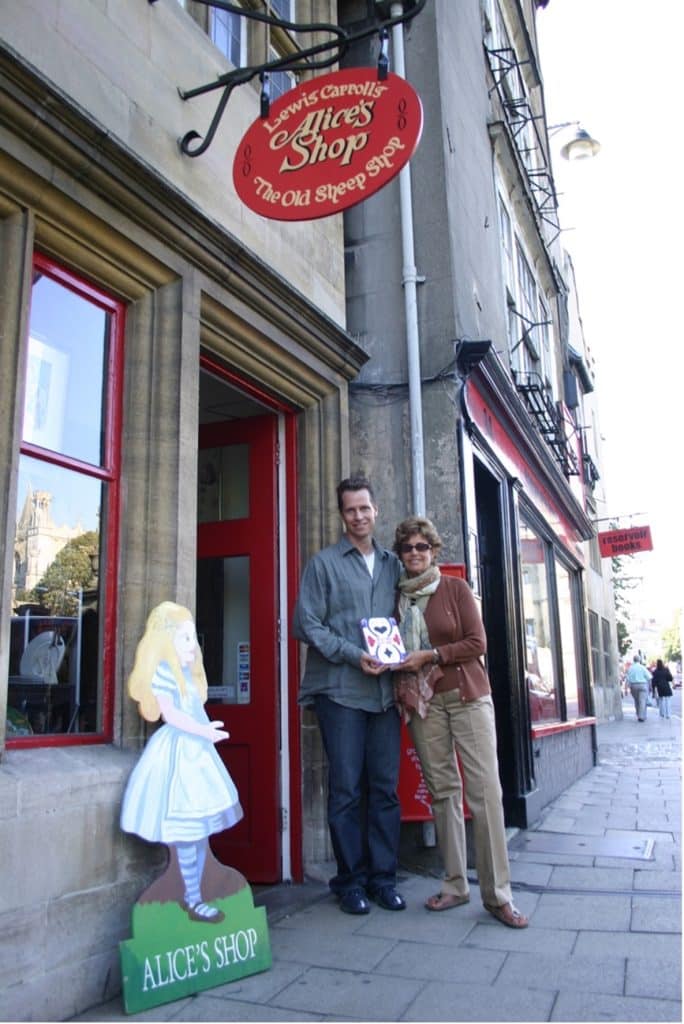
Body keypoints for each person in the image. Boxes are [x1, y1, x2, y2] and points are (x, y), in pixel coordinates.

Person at [391, 515, 528, 929]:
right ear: (400, 555)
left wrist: (433, 655)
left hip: (467, 697)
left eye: (422, 546)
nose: (415, 553)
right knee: (443, 791)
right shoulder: (397, 599)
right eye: (407, 548)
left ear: (433, 550)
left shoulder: (454, 589)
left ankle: (498, 895)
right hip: (424, 703)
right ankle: (454, 884)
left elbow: (478, 642)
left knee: (485, 792)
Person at [293, 476, 405, 915]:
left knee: (385, 789)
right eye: (350, 510)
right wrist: (353, 654)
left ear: (376, 511)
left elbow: (409, 614)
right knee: (346, 790)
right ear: (342, 516)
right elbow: (306, 624)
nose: (358, 516)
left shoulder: (394, 564)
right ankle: (350, 882)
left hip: (384, 694)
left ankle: (383, 879)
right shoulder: (323, 564)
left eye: (364, 508)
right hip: (340, 691)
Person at [121, 601, 243, 924]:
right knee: (187, 829)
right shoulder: (164, 673)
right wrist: (203, 731)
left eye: (193, 637)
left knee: (199, 831)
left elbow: (192, 709)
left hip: (197, 755)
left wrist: (205, 730)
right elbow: (171, 715)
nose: (193, 644)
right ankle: (191, 897)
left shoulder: (187, 675)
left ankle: (195, 893)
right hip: (179, 757)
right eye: (185, 638)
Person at [625, 654, 652, 721]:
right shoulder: (642, 667)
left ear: (633, 660)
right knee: (642, 701)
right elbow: (649, 677)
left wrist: (626, 689)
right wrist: (650, 686)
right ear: (639, 660)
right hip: (643, 685)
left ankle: (638, 714)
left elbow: (627, 679)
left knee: (637, 700)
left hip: (633, 686)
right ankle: (641, 716)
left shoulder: (630, 668)